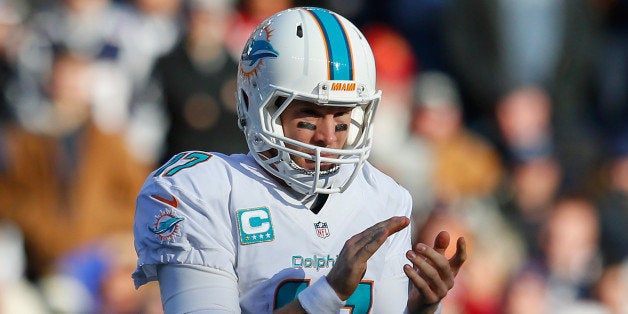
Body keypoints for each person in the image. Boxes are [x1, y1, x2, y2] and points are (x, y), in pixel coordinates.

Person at [132, 7, 466, 313]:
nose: (329, 138)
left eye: (342, 120)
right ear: (252, 102)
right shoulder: (203, 190)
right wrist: (327, 294)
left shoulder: (385, 198)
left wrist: (420, 307)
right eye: (308, 118)